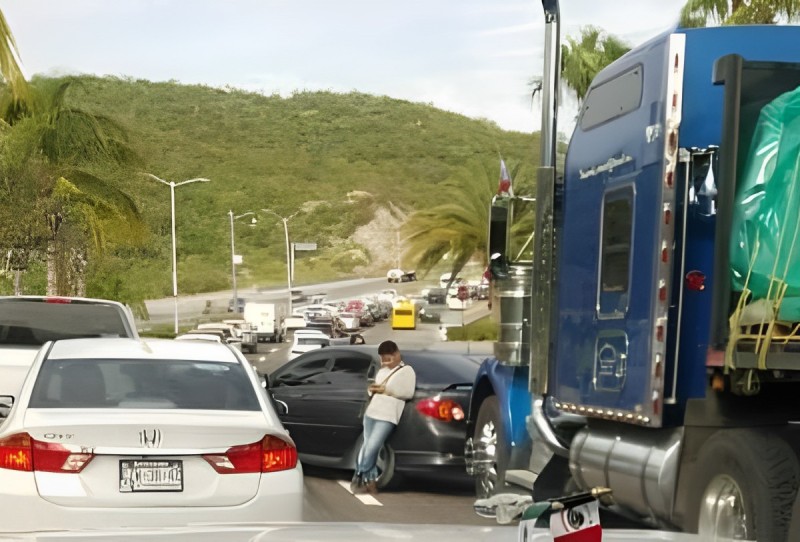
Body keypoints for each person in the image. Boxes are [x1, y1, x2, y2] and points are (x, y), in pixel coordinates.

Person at [351, 340, 416, 495]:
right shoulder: (382, 371)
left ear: (396, 354)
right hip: (372, 412)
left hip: (388, 415)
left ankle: (359, 475)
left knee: (373, 446)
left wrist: (385, 389)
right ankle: (371, 482)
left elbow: (407, 392)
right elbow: (373, 391)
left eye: (388, 358)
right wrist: (372, 389)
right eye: (383, 359)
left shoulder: (407, 371)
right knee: (367, 447)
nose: (386, 362)